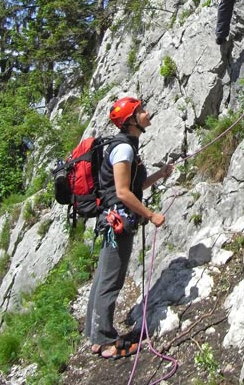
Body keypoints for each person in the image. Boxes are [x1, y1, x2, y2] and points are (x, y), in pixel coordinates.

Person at [85, 96, 173, 359]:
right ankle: (105, 341)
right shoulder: (123, 149)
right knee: (110, 282)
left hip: (114, 220)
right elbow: (123, 193)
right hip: (118, 223)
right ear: (131, 121)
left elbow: (131, 186)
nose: (147, 113)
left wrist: (158, 175)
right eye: (141, 111)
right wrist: (150, 214)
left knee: (103, 277)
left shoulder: (126, 145)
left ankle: (95, 336)